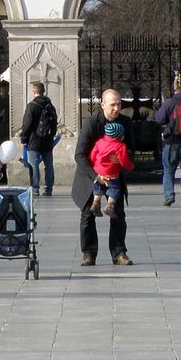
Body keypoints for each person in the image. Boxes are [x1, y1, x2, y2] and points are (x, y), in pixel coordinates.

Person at [74, 88, 134, 267]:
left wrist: (122, 159)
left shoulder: (125, 123)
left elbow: (131, 150)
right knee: (88, 215)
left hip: (115, 176)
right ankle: (89, 253)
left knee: (117, 215)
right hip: (91, 175)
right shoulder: (92, 123)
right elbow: (79, 155)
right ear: (102, 105)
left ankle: (119, 253)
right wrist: (96, 176)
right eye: (112, 105)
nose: (116, 108)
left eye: (119, 104)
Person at [20, 81, 57, 197]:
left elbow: (27, 124)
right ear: (43, 91)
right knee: (49, 165)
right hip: (48, 139)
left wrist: (24, 138)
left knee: (33, 165)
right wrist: (51, 135)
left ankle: (35, 189)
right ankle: (49, 189)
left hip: (34, 140)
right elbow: (55, 123)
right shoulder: (50, 105)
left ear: (34, 91)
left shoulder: (32, 106)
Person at [89, 120, 133, 218]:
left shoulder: (99, 142)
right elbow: (124, 161)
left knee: (97, 187)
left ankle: (96, 203)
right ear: (119, 136)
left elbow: (92, 156)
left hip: (98, 172)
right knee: (115, 189)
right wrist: (130, 166)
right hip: (112, 173)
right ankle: (109, 206)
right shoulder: (120, 146)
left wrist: (94, 165)